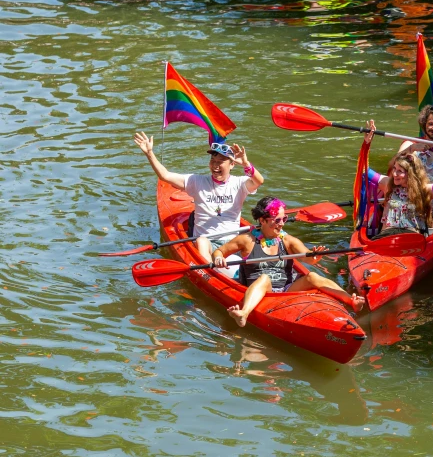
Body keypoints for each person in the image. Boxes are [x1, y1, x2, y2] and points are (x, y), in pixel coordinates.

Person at [213, 196, 365, 327]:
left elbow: (306, 257)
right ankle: (244, 313)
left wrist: (314, 257)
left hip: (286, 290)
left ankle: (350, 300)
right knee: (265, 279)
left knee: (312, 276)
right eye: (277, 220)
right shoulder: (246, 240)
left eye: (284, 219)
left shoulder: (287, 240)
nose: (282, 223)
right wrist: (218, 258)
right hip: (261, 290)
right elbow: (219, 251)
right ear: (262, 220)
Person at [134, 132, 264, 270]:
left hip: (232, 242)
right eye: (213, 161)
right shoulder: (197, 181)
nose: (215, 166)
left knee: (251, 241)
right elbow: (165, 176)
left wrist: (246, 164)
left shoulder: (240, 183)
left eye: (220, 162)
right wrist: (149, 153)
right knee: (202, 241)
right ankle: (211, 273)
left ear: (232, 164)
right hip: (206, 242)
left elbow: (259, 180)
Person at [363, 121, 433, 238]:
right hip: (385, 238)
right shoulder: (388, 184)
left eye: (400, 171)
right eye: (394, 168)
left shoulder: (424, 189)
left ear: (411, 173)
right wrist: (366, 144)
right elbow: (364, 171)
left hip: (412, 240)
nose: (394, 173)